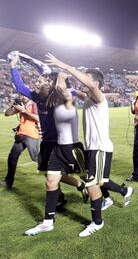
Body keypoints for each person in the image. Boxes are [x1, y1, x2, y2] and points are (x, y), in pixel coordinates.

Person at [42, 54, 134, 237]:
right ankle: (121, 193)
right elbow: (75, 92)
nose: (83, 79)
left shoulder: (99, 97)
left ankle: (97, 222)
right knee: (100, 182)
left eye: (86, 76)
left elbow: (90, 86)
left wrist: (64, 66)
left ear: (95, 82)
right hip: (92, 148)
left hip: (100, 147)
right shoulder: (90, 98)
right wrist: (65, 85)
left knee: (93, 183)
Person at [8, 54, 88, 205]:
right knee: (49, 174)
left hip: (62, 143)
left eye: (39, 81)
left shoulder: (58, 97)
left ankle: (99, 191)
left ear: (49, 84)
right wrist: (13, 66)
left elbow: (69, 91)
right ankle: (63, 195)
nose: (36, 84)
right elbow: (19, 87)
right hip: (47, 142)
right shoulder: (37, 97)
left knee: (79, 172)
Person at [25, 72, 88, 236]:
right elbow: (51, 90)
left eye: (52, 82)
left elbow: (63, 89)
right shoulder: (51, 98)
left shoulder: (67, 96)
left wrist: (62, 73)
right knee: (50, 181)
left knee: (93, 180)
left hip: (72, 147)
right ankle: (48, 222)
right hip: (55, 147)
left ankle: (116, 193)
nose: (50, 84)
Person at [0, 95, 40, 189]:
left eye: (25, 95)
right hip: (21, 136)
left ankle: (57, 172)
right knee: (12, 157)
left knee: (36, 158)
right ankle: (8, 182)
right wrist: (13, 106)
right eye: (21, 95)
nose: (23, 97)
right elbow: (7, 113)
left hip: (32, 136)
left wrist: (23, 110)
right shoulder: (21, 105)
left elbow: (38, 118)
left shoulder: (34, 104)